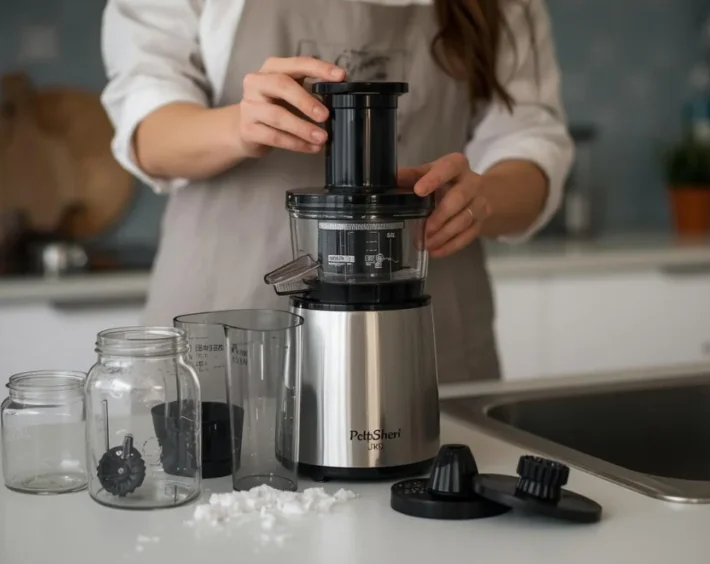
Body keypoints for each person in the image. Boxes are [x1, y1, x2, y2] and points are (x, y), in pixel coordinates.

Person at [101, 0, 573, 384]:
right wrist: (240, 126)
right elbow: (148, 131)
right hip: (228, 347)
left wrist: (482, 198)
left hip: (423, 356)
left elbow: (531, 144)